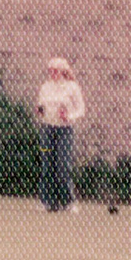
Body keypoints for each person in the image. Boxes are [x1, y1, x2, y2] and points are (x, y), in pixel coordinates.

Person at [34, 57, 85, 212]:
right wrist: (39, 111)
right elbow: (41, 106)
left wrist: (68, 117)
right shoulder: (45, 87)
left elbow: (81, 109)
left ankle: (68, 202)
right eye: (50, 71)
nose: (52, 73)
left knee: (62, 165)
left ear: (63, 71)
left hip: (64, 130)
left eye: (55, 70)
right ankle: (48, 202)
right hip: (48, 128)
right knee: (47, 165)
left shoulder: (72, 87)